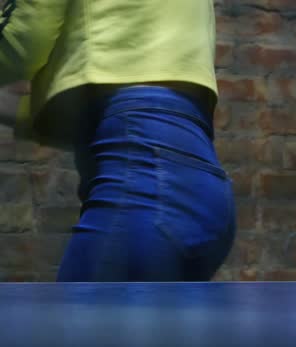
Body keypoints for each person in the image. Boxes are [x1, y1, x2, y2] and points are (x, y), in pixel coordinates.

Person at [0, 0, 235, 282]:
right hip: (200, 185)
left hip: (142, 182)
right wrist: (24, 113)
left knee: (76, 324)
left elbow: (28, 33)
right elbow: (120, 77)